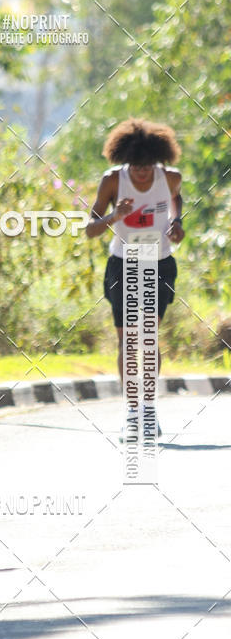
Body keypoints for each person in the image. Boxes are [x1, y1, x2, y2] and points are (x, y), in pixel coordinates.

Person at [86, 118, 185, 436]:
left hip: (159, 265)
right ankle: (131, 411)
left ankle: (149, 408)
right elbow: (90, 229)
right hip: (123, 264)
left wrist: (176, 222)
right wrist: (116, 215)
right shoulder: (113, 181)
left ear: (158, 160)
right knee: (128, 341)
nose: (142, 172)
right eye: (135, 165)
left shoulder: (170, 178)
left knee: (148, 338)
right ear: (124, 160)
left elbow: (176, 201)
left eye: (148, 166)